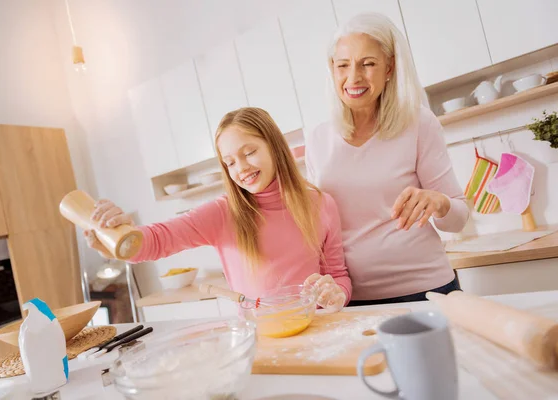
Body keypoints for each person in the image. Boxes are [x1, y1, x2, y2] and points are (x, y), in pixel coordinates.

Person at [85, 107, 350, 312]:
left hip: (315, 332)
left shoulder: (321, 204)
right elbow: (157, 241)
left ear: (275, 146)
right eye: (230, 162)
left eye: (249, 152)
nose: (241, 168)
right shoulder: (223, 214)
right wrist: (116, 237)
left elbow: (338, 276)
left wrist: (337, 294)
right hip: (262, 340)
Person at [304, 13, 469, 306]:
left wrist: (439, 202)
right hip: (352, 298)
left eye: (368, 64)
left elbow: (457, 220)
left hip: (427, 290)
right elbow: (322, 229)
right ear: (332, 69)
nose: (353, 77)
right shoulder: (317, 138)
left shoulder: (418, 123)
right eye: (343, 65)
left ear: (389, 67)